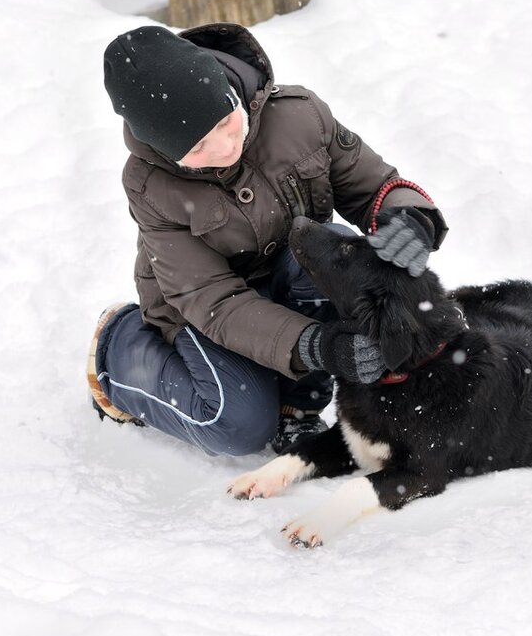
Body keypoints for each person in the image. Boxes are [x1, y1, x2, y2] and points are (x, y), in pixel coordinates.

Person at [87, 23, 448, 456]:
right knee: (235, 425)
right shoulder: (151, 187)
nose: (224, 147)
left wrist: (410, 218)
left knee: (332, 247)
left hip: (289, 279)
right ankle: (117, 349)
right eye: (198, 147)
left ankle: (297, 407)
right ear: (164, 150)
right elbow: (213, 300)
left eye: (225, 122)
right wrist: (318, 345)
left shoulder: (298, 115)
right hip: (205, 312)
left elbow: (372, 185)